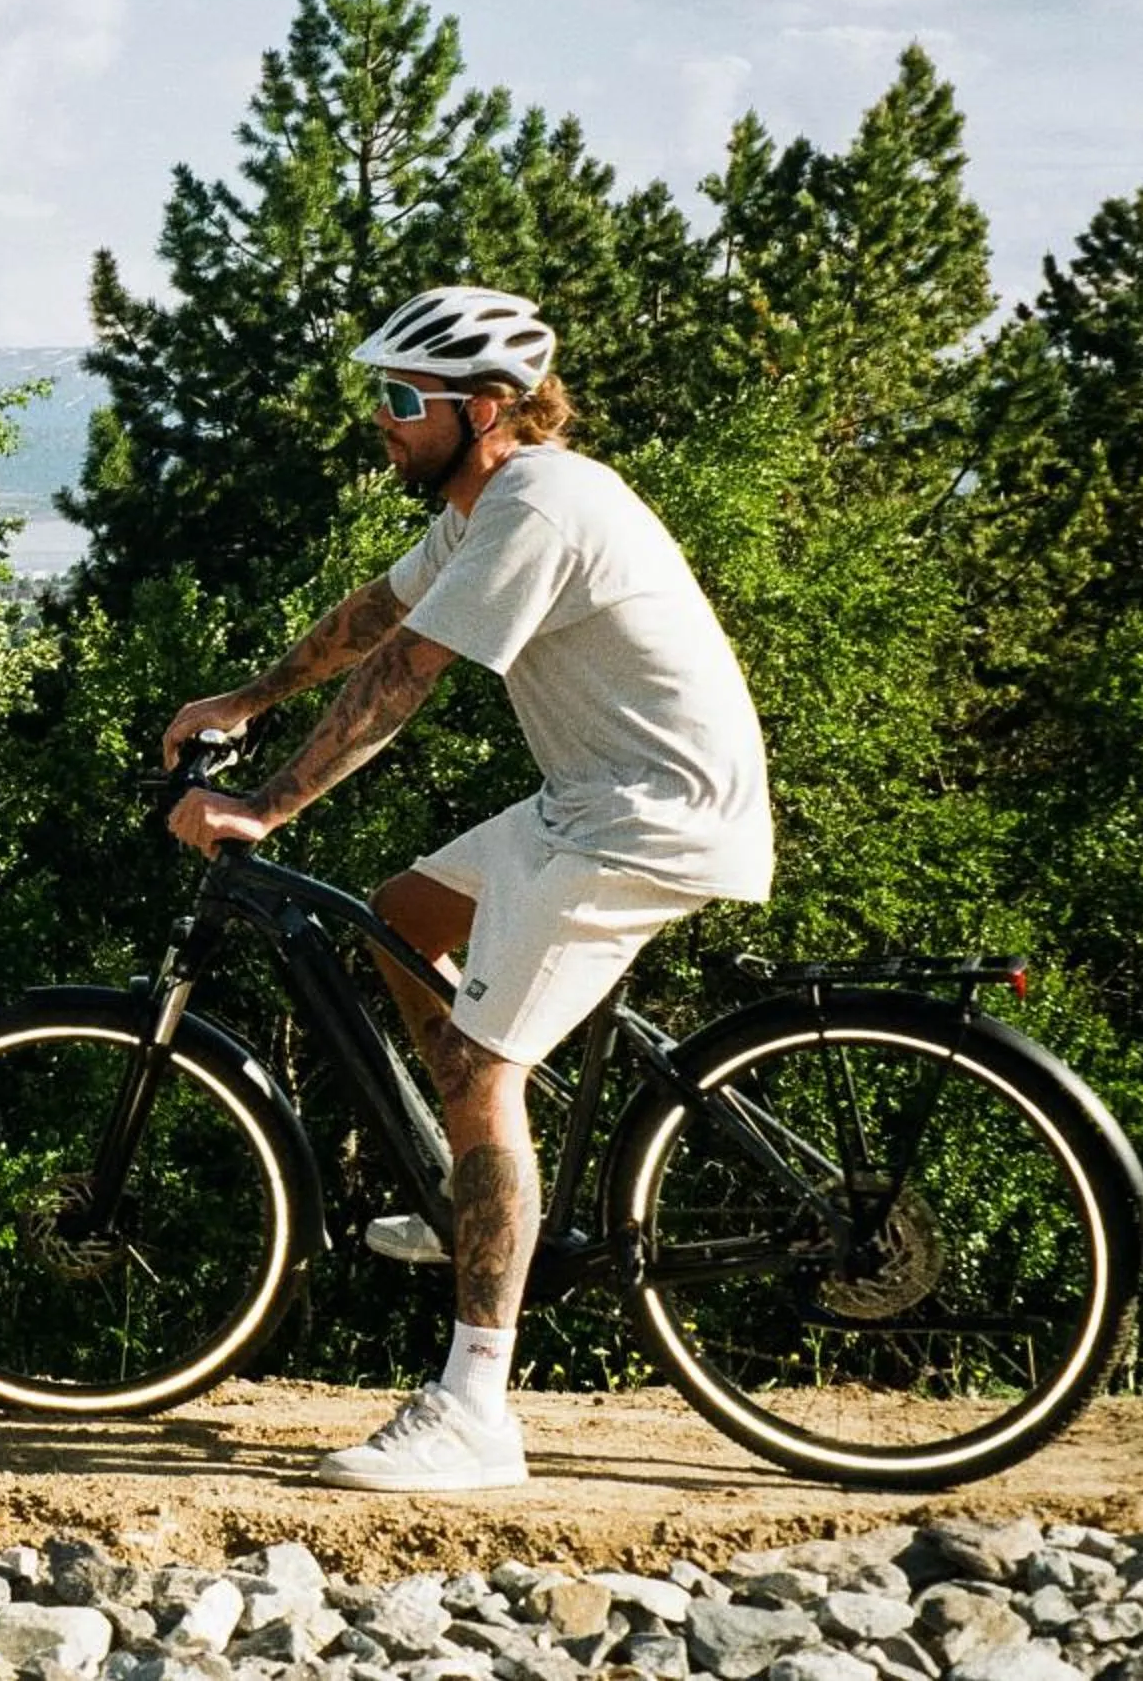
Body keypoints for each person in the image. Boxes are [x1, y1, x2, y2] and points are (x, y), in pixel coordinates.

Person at [158, 285, 771, 1492]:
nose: (380, 421)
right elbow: (376, 612)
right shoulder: (481, 502)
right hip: (588, 799)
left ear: (485, 408)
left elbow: (408, 668)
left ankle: (476, 1407)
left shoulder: (543, 503)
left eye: (402, 399)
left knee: (488, 1072)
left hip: (650, 822)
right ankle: (471, 1191)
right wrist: (245, 698)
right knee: (402, 916)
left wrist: (266, 801)